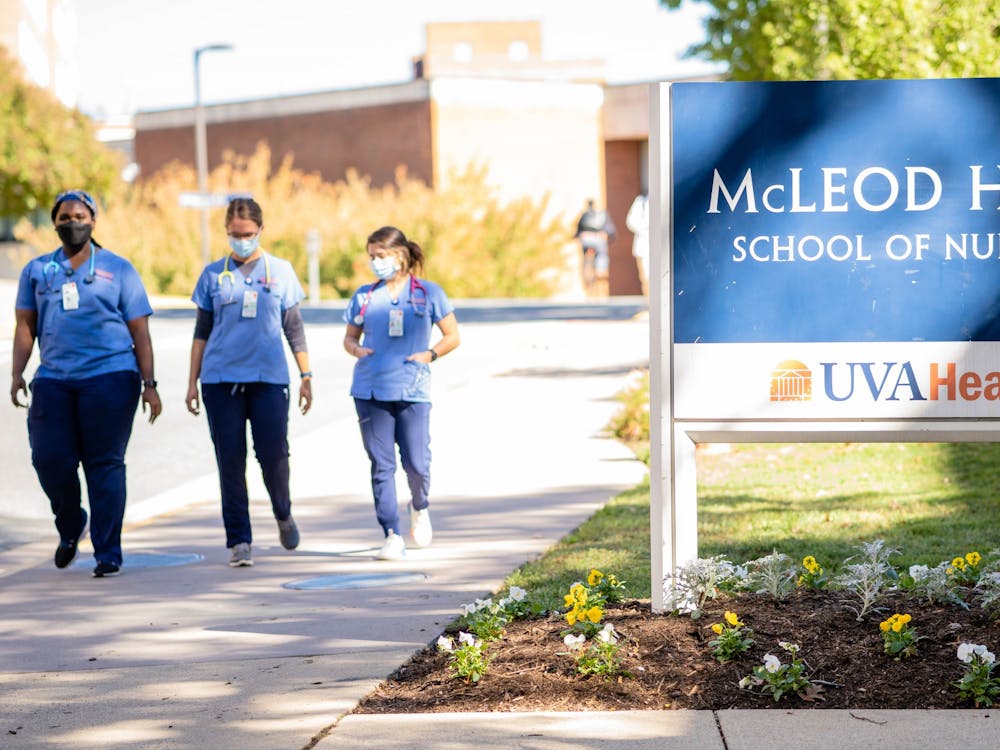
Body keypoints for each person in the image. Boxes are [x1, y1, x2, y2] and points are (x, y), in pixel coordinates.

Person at [10, 189, 162, 577]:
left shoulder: (119, 269)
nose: (72, 223)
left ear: (93, 220)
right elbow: (26, 326)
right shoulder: (38, 271)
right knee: (49, 458)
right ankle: (71, 523)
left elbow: (140, 332)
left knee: (104, 464)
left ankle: (107, 551)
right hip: (54, 379)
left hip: (111, 377)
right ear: (54, 222)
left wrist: (150, 383)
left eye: (79, 216)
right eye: (64, 217)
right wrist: (17, 373)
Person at [185, 197, 312, 568]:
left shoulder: (280, 271)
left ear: (260, 231)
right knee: (230, 461)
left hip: (268, 378)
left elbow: (295, 329)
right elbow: (201, 332)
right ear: (226, 232)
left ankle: (283, 511)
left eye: (248, 234)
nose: (241, 240)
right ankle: (239, 539)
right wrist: (192, 382)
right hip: (221, 379)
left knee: (273, 455)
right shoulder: (213, 275)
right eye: (234, 234)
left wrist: (306, 375)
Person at [342, 226, 460, 560]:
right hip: (370, 389)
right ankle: (392, 533)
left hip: (412, 388)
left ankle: (419, 506)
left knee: (417, 463)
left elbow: (452, 335)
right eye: (371, 257)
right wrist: (356, 350)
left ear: (400, 254)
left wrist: (430, 354)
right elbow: (349, 337)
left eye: (380, 256)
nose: (375, 262)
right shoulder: (365, 296)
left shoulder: (428, 293)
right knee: (381, 464)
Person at [574, 199, 616, 297]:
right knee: (597, 258)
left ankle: (596, 281)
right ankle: (597, 277)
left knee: (594, 261)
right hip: (594, 242)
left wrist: (579, 235)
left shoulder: (590, 215)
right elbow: (610, 230)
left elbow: (578, 229)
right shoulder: (599, 215)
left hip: (591, 242)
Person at [626, 192, 650, 296]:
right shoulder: (641, 201)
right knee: (645, 277)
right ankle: (650, 304)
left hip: (663, 247)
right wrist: (646, 227)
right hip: (643, 246)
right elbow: (631, 222)